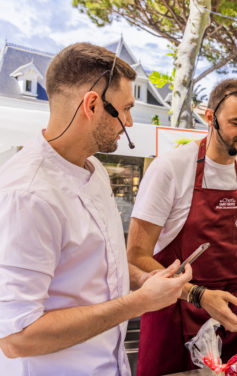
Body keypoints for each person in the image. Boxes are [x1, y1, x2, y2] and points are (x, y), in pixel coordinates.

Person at [0, 43, 192, 375]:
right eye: (126, 109)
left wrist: (144, 280)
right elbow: (17, 336)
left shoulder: (95, 170)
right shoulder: (28, 194)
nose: (129, 121)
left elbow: (101, 268)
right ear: (91, 104)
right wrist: (140, 302)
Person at [127, 78, 237, 375]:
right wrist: (198, 294)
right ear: (210, 117)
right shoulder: (171, 168)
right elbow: (135, 257)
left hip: (232, 311)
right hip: (174, 311)